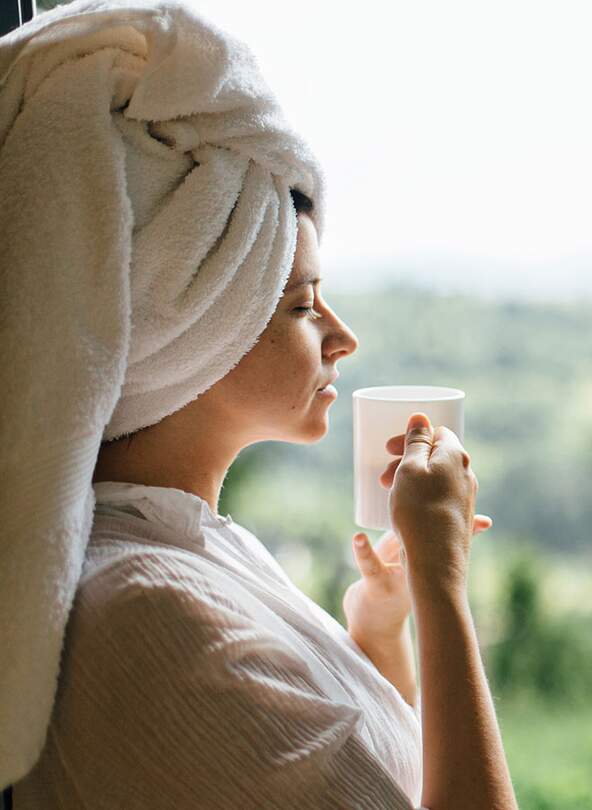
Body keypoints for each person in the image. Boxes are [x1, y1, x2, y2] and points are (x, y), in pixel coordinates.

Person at [0, 2, 518, 807]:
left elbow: (387, 783)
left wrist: (380, 629)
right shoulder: (155, 614)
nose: (342, 338)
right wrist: (445, 588)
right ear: (196, 328)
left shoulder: (191, 549)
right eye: (304, 305)